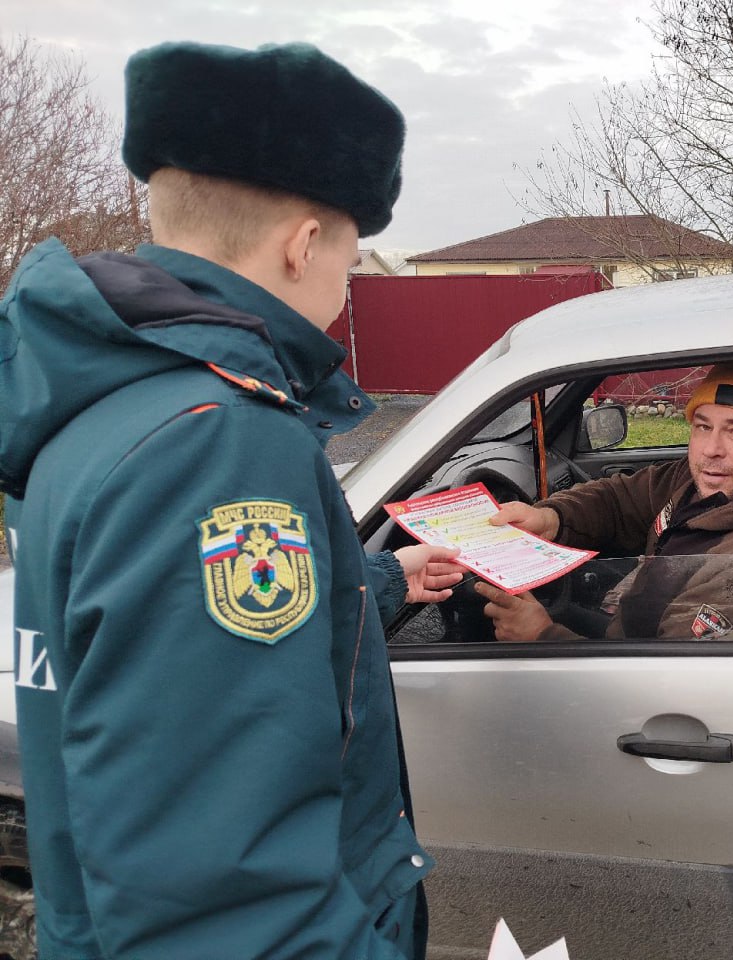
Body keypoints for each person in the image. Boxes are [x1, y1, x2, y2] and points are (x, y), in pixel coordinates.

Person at [0, 42, 461, 960]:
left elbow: (169, 648)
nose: (343, 289)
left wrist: (379, 579)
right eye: (350, 254)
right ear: (303, 245)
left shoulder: (106, 405)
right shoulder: (222, 443)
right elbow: (229, 906)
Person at [477, 357, 733, 642]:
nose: (711, 449)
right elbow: (620, 500)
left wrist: (541, 636)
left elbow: (662, 678)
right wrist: (552, 519)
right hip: (628, 629)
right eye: (703, 426)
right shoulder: (694, 482)